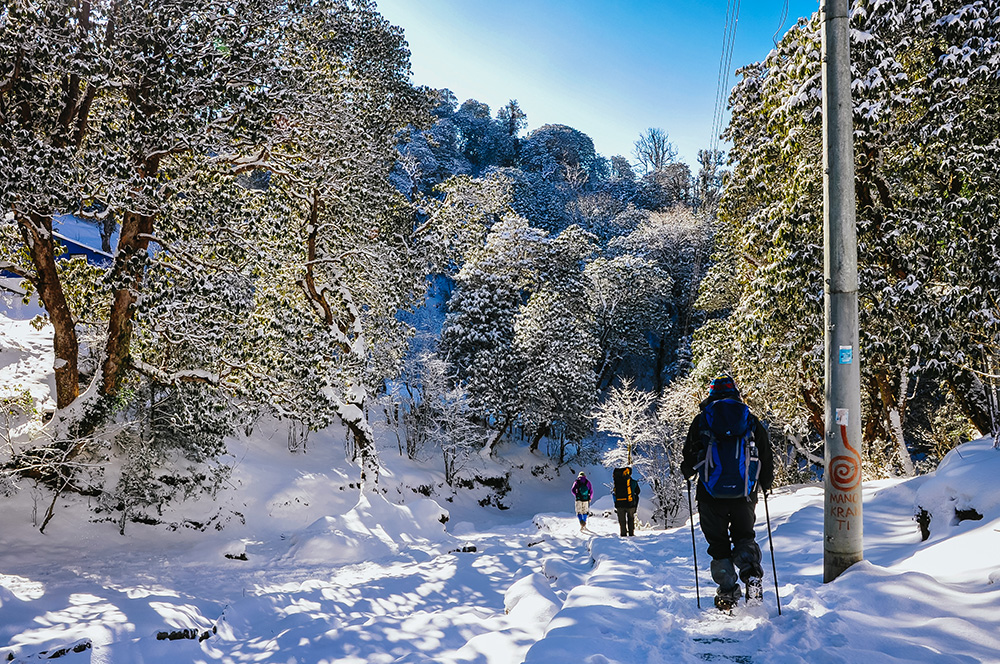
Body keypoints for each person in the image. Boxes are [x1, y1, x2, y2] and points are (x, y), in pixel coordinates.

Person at [681, 374, 774, 610]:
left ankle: (727, 593)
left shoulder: (703, 420)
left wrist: (688, 473)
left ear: (710, 393)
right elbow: (765, 453)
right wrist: (765, 482)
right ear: (736, 393)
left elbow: (689, 457)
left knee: (719, 544)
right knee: (744, 536)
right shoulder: (749, 419)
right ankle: (751, 574)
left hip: (710, 495)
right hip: (745, 493)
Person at [612, 466, 640, 537]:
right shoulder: (633, 482)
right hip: (630, 504)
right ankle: (631, 534)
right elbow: (638, 491)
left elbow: (614, 493)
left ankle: (623, 534)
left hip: (619, 504)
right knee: (631, 518)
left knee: (622, 520)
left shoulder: (617, 481)